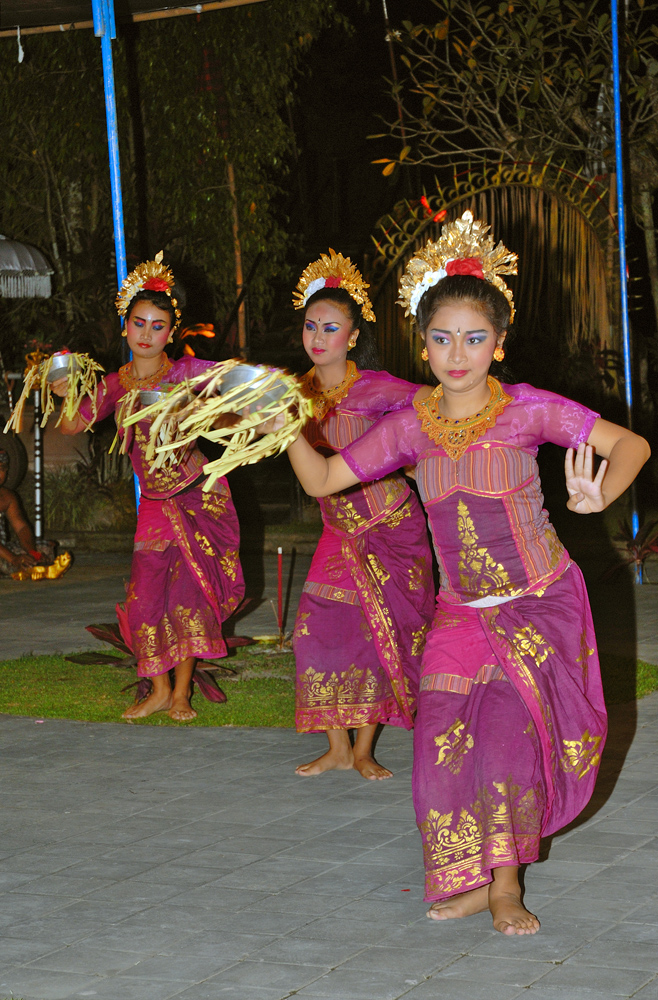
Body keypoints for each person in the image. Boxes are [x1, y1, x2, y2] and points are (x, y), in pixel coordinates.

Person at [278, 212, 650, 933]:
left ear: (498, 344)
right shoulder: (410, 424)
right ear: (424, 344)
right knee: (438, 756)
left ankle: (504, 886)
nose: (458, 353)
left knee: (507, 743)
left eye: (475, 338)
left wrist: (600, 492)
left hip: (536, 602)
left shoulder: (527, 410)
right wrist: (285, 425)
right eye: (443, 338)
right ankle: (472, 877)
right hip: (459, 613)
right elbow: (325, 479)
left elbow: (628, 444)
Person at [52, 252, 245, 721]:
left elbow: (237, 401)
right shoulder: (116, 384)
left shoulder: (187, 374)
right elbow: (72, 426)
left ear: (171, 333)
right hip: (156, 504)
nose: (146, 334)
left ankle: (180, 694)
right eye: (138, 323)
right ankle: (157, 688)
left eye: (157, 326)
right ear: (125, 326)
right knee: (144, 599)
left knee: (191, 594)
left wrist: (200, 412)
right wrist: (64, 392)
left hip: (198, 493)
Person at [290, 250, 435, 779]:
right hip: (337, 530)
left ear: (352, 337)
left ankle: (364, 749)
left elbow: (434, 410)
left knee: (383, 633)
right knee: (315, 627)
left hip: (393, 527)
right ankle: (335, 745)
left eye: (331, 327)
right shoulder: (293, 394)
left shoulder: (376, 387)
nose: (318, 336)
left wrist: (427, 469)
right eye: (311, 325)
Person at [0, 448, 42, 575]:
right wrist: (13, 558)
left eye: (1, 468)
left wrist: (32, 553)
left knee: (45, 548)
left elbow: (21, 527)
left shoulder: (7, 497)